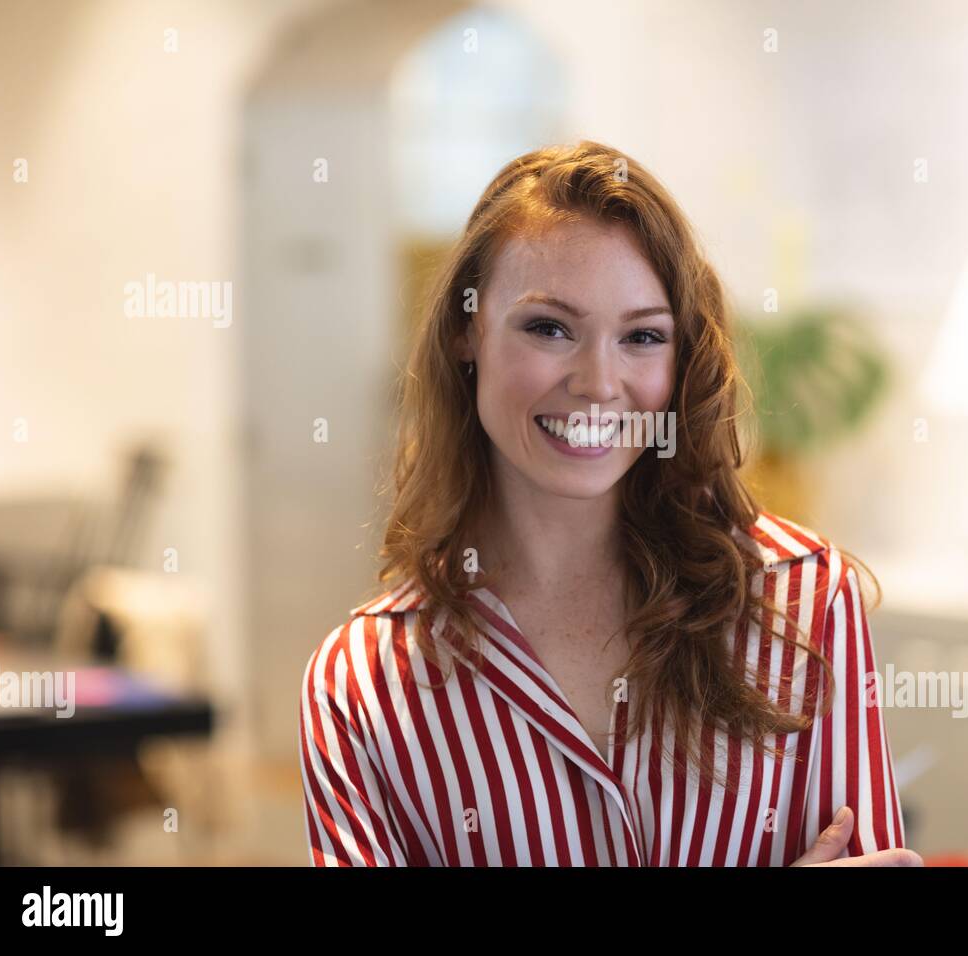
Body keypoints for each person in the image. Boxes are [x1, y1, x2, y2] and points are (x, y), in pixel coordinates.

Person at [299, 141, 922, 867]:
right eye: (549, 328)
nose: (599, 382)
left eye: (642, 336)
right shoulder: (361, 689)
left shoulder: (804, 601)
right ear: (466, 333)